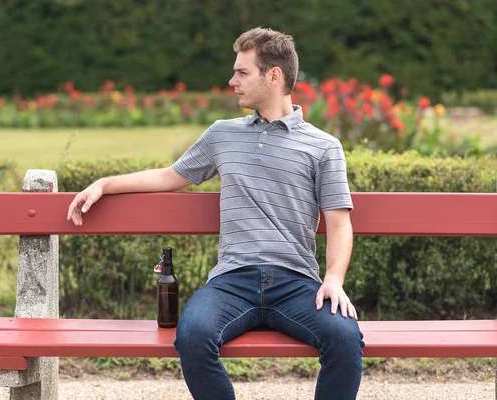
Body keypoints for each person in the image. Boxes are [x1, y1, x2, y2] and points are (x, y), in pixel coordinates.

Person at [67, 27, 364, 400]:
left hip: (296, 282)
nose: (232, 81)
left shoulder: (323, 147)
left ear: (273, 76)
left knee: (345, 338)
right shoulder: (223, 134)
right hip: (232, 281)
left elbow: (339, 223)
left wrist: (334, 279)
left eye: (242, 72)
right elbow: (168, 176)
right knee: (192, 335)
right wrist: (105, 184)